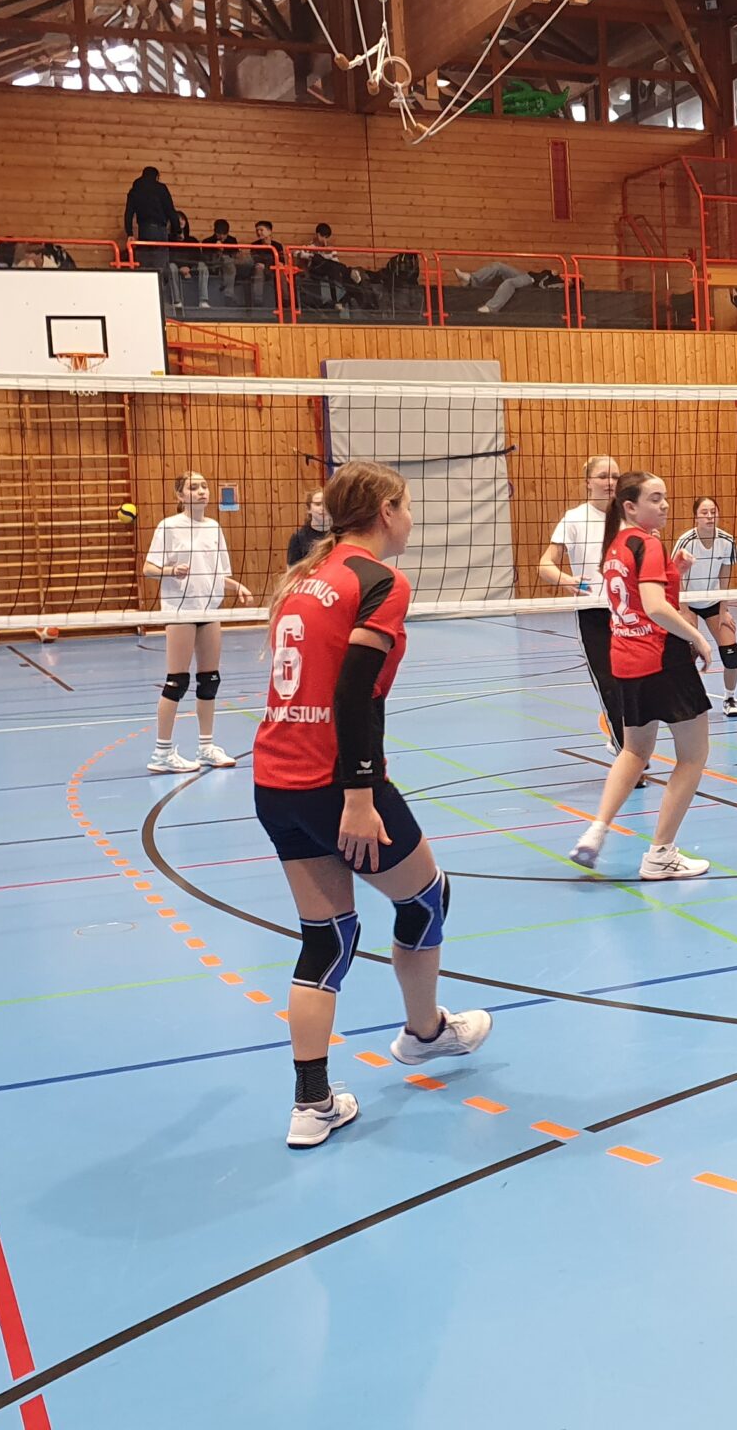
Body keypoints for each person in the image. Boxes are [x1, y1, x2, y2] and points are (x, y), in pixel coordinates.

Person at [250, 460, 492, 1149]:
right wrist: (359, 797)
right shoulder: (379, 581)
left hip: (276, 781)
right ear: (386, 510)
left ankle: (312, 1101)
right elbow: (355, 693)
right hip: (334, 781)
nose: (411, 518)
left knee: (328, 938)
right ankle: (424, 1035)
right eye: (407, 505)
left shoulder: (304, 578)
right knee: (426, 899)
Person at [570, 471, 715, 880]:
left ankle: (595, 832)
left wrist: (674, 572)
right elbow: (653, 606)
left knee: (634, 753)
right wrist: (696, 638)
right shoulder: (647, 543)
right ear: (630, 506)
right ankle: (660, 854)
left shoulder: (616, 545)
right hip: (662, 659)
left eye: (666, 498)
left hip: (625, 660)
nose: (665, 505)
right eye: (655, 499)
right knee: (693, 755)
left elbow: (637, 593)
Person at [145, 471, 254, 773]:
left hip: (210, 609)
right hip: (181, 610)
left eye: (204, 486)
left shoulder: (214, 528)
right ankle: (162, 752)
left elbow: (218, 573)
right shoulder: (168, 527)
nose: (202, 491)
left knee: (210, 680)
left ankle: (206, 746)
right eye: (193, 488)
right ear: (180, 496)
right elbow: (148, 567)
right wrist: (171, 571)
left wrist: (237, 587)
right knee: (177, 681)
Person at [538, 455, 625, 752]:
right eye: (603, 476)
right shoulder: (574, 518)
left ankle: (628, 745)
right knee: (610, 685)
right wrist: (566, 579)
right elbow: (545, 565)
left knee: (635, 685)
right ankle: (627, 752)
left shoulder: (629, 516)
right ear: (588, 482)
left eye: (615, 476)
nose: (610, 482)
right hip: (594, 613)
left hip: (629, 613)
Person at [672, 495, 737, 718]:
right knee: (687, 653)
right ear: (696, 516)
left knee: (732, 654)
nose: (709, 516)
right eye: (704, 512)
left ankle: (730, 699)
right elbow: (676, 576)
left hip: (714, 602)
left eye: (713, 512)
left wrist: (724, 610)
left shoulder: (727, 541)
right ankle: (682, 698)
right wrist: (683, 611)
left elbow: (725, 577)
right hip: (688, 602)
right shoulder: (686, 541)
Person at [125, 166, 179, 297]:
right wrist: (177, 230)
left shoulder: (135, 190)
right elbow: (170, 210)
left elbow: (128, 213)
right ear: (156, 176)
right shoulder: (160, 189)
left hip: (143, 230)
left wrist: (130, 233)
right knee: (160, 265)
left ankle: (145, 296)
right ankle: (160, 298)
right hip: (159, 230)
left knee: (145, 265)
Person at [287, 488, 331, 567]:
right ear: (309, 509)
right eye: (318, 504)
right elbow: (291, 570)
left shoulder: (341, 534)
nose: (323, 508)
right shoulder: (299, 537)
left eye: (326, 504)